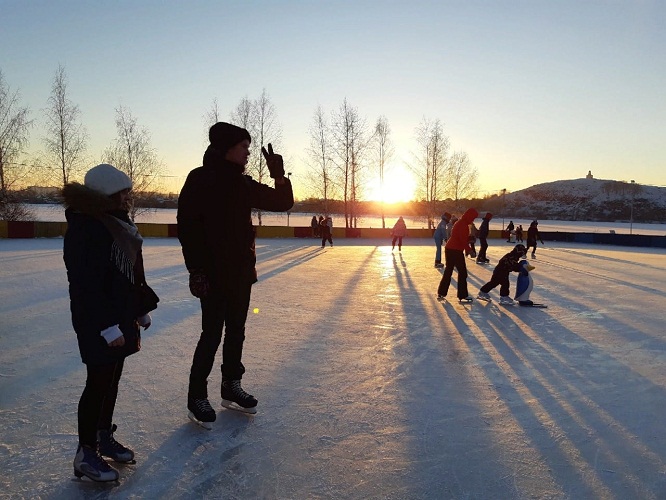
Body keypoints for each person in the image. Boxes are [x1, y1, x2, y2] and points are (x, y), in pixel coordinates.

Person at [177, 122, 294, 426]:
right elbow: (187, 229)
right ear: (226, 147)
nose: (248, 153)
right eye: (244, 147)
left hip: (241, 273)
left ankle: (231, 384)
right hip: (212, 274)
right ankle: (196, 395)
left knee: (236, 330)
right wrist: (196, 270)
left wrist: (279, 176)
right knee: (211, 333)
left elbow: (282, 202)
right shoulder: (199, 179)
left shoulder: (242, 183)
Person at [62, 163, 159, 482]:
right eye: (123, 192)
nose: (128, 197)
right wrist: (106, 327)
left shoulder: (117, 222)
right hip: (98, 321)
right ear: (107, 194)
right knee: (98, 383)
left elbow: (129, 274)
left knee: (111, 381)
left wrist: (139, 309)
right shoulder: (86, 227)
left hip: (119, 316)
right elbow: (86, 286)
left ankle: (103, 435)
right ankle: (85, 453)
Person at [437, 208, 478, 303]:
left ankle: (441, 292)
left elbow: (460, 237)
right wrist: (469, 250)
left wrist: (468, 241)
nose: (473, 220)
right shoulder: (463, 224)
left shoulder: (460, 222)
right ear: (469, 216)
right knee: (462, 272)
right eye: (473, 218)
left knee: (448, 271)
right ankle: (462, 295)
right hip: (455, 250)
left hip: (450, 248)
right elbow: (462, 239)